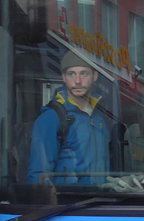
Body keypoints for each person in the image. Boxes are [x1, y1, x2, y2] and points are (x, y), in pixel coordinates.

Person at [27, 50, 112, 184]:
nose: (77, 81)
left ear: (95, 76)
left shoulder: (101, 117)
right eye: (71, 74)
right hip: (69, 202)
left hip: (101, 201)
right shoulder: (51, 118)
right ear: (63, 77)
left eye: (84, 73)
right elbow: (39, 176)